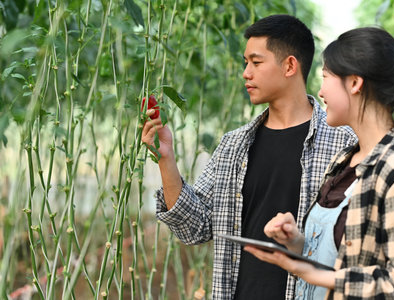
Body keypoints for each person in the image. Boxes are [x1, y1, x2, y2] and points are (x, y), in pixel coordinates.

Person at [141, 15, 356, 299]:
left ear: (290, 65)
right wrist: (165, 159)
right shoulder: (234, 144)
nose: (245, 72)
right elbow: (195, 228)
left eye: (256, 62)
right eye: (245, 63)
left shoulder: (344, 144)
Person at [244, 27, 394, 299]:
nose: (320, 89)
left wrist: (316, 275)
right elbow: (345, 256)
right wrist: (297, 243)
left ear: (354, 83)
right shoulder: (344, 161)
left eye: (326, 76)